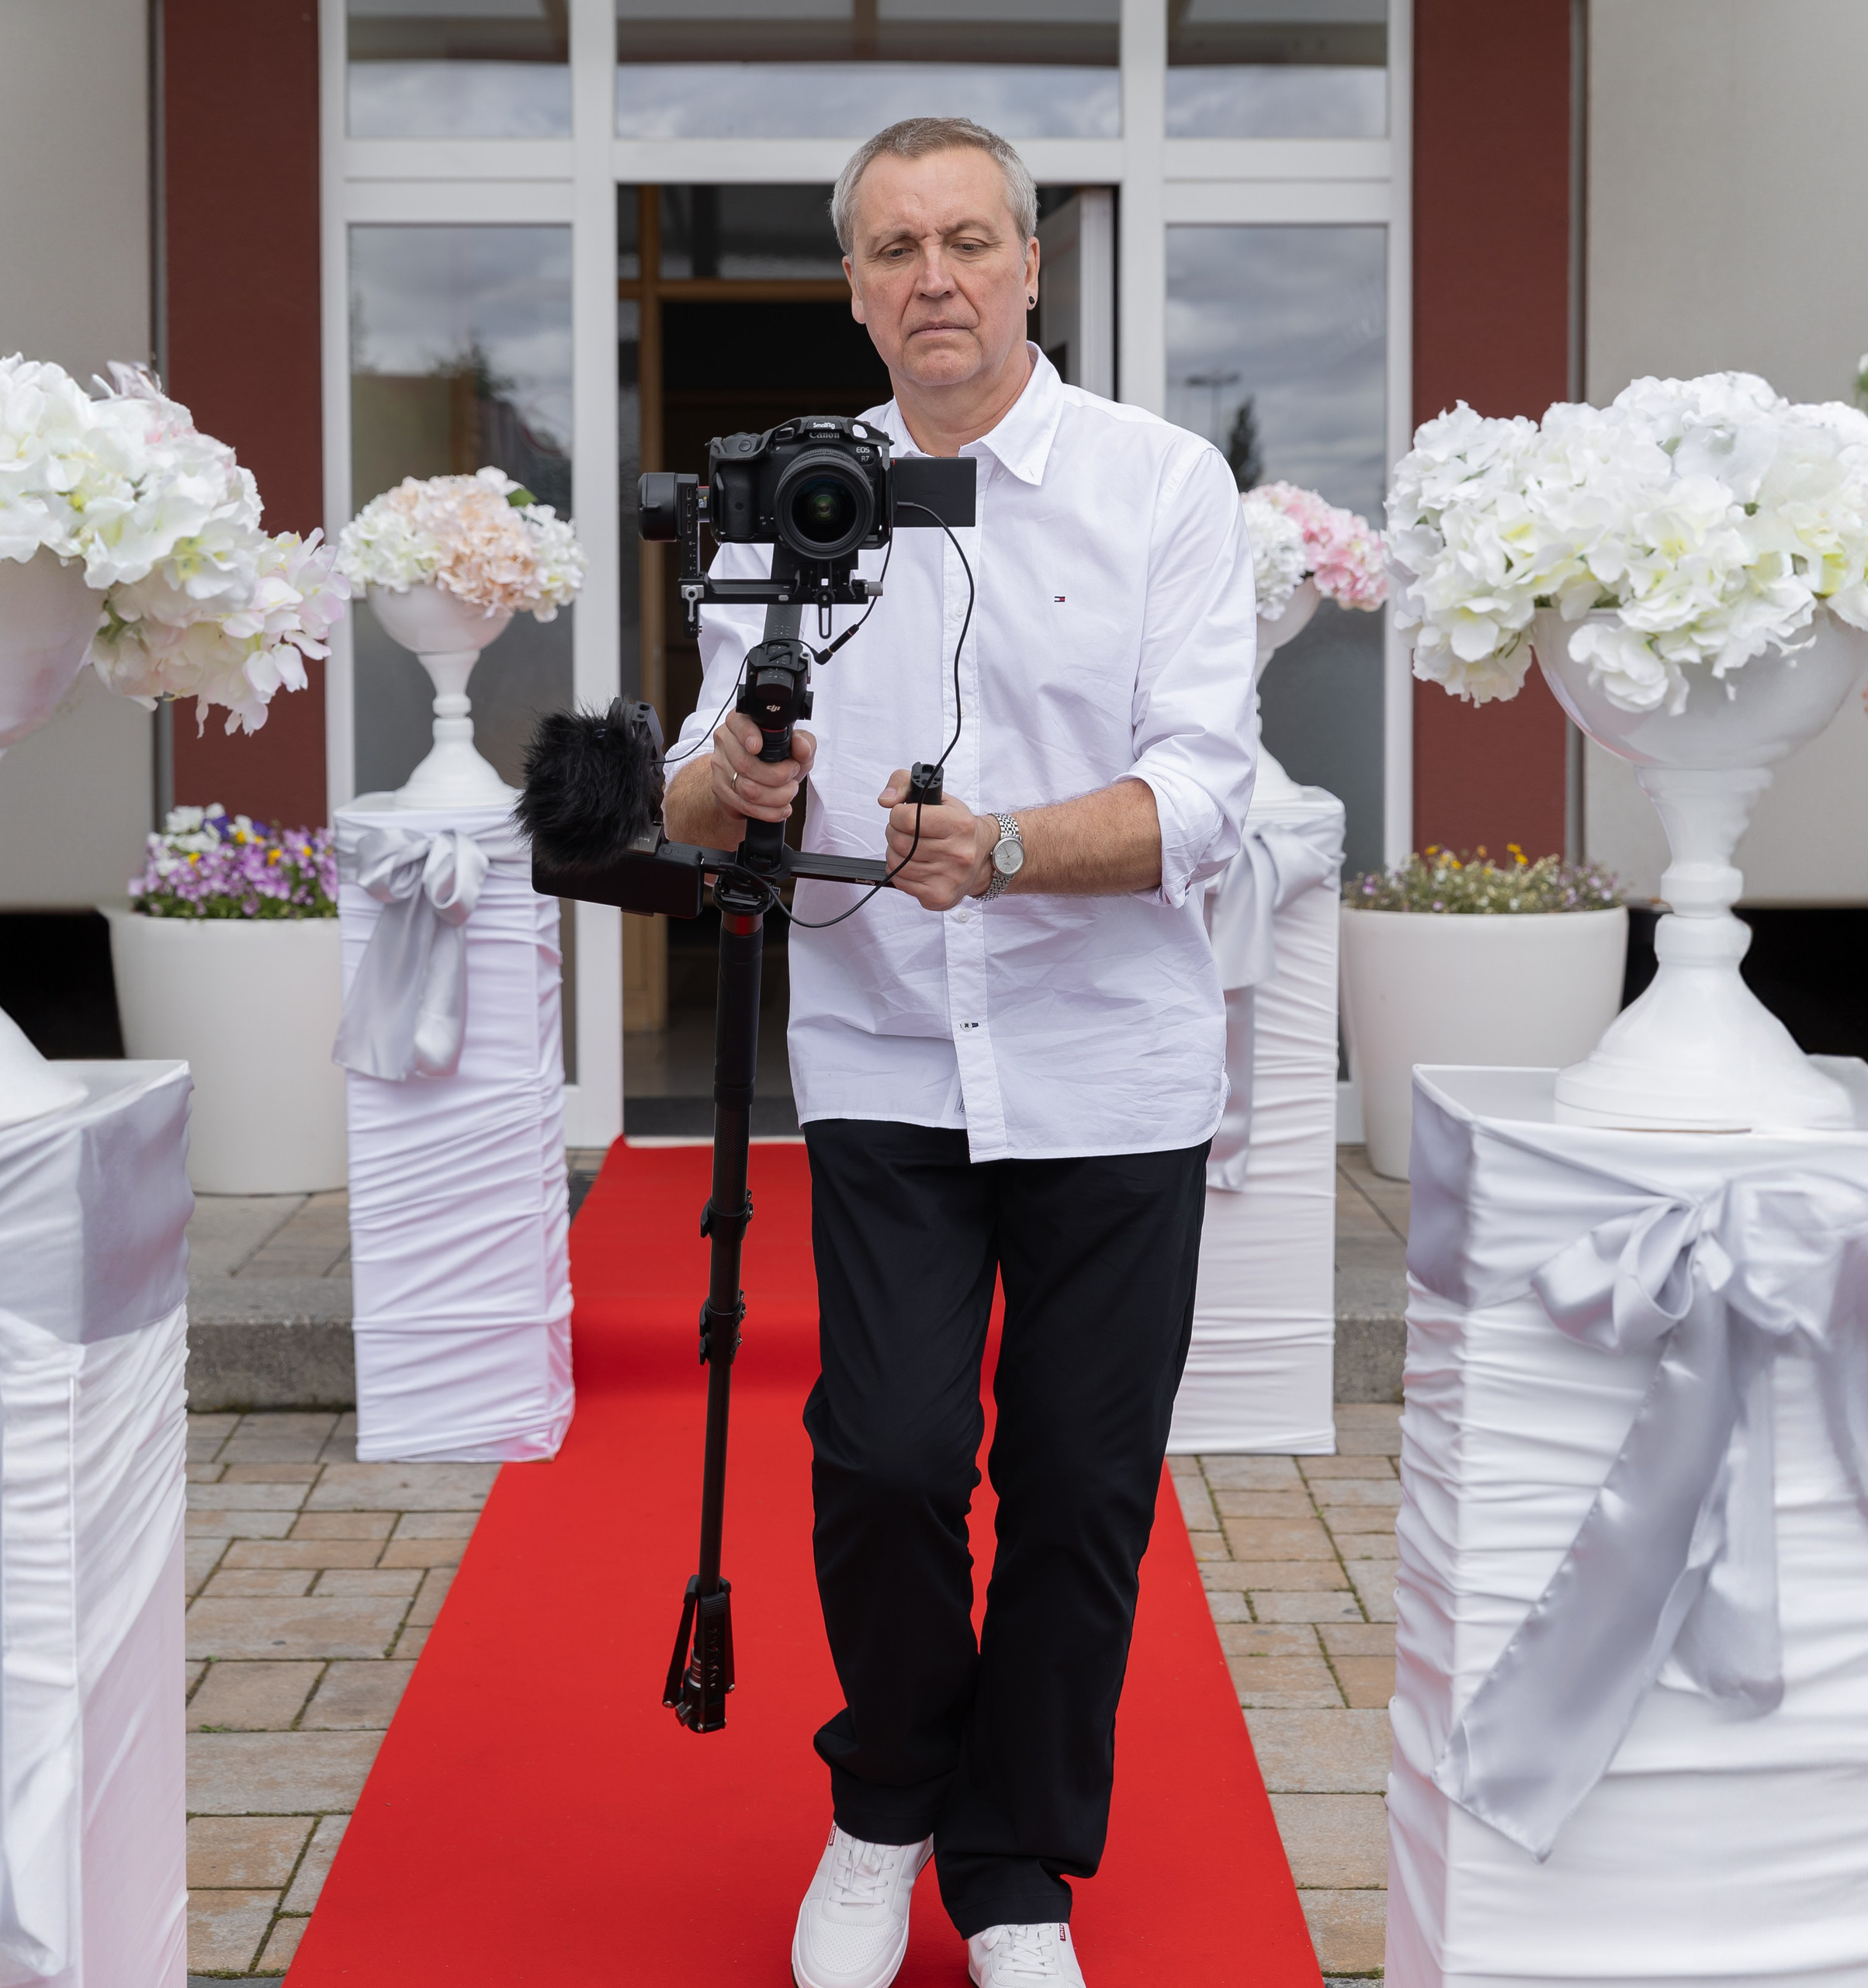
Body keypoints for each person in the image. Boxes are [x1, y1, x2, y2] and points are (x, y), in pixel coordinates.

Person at [661, 116, 1257, 1988]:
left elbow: (1206, 798)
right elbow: (693, 793)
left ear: (1027, 270)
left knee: (1079, 1494)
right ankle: (885, 1805)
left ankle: (1013, 1880)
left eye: (969, 241)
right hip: (885, 1057)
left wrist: (1000, 847)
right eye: (893, 247)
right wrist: (737, 782)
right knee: (894, 1457)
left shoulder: (1160, 487)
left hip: (1112, 1067)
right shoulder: (780, 497)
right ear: (849, 285)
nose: (935, 276)